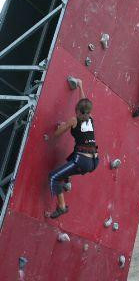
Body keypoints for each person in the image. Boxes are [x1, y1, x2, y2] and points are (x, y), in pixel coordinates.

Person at [48, 79, 99, 219]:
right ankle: (68, 181)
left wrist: (62, 125)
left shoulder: (73, 120)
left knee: (53, 177)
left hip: (82, 160)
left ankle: (62, 207)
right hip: (94, 161)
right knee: (70, 158)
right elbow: (84, 104)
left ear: (76, 110)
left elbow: (57, 134)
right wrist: (81, 85)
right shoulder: (91, 119)